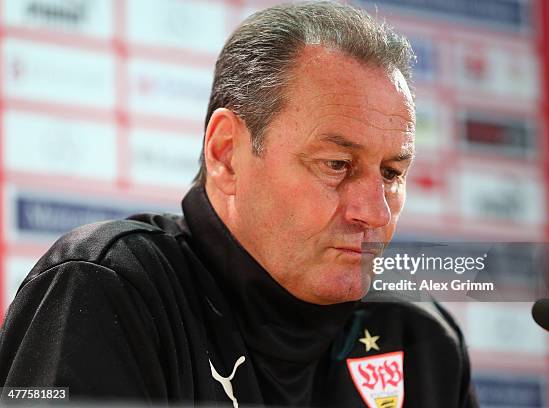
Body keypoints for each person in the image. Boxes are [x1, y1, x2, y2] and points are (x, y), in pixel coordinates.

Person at [0, 2, 478, 407]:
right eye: (336, 165)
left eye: (392, 173)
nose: (374, 212)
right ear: (227, 155)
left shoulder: (422, 338)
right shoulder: (109, 287)